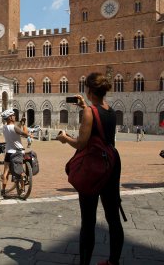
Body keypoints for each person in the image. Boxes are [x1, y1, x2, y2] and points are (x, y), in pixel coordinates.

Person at [57, 72, 123, 265]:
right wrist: (85, 107)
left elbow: (81, 143)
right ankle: (113, 262)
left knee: (88, 221)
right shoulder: (109, 110)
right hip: (111, 165)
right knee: (113, 218)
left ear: (89, 90)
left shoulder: (89, 112)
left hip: (93, 168)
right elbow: (99, 125)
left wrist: (64, 138)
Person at [0, 109, 30, 198]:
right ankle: (22, 190)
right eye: (13, 115)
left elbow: (15, 128)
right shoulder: (14, 127)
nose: (14, 116)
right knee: (20, 172)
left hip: (8, 152)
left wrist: (21, 122)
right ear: (10, 117)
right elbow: (24, 133)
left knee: (5, 172)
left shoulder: (4, 127)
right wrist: (24, 126)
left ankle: (3, 191)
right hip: (17, 152)